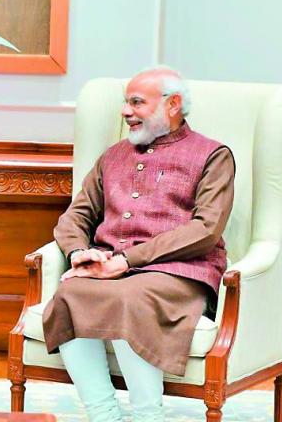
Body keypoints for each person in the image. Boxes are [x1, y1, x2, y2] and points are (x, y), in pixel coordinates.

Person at [42, 67, 235, 421]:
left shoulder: (213, 155)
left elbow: (206, 228)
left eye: (136, 102)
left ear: (173, 104)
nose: (125, 111)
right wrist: (78, 252)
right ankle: (104, 414)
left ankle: (149, 414)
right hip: (114, 267)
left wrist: (127, 260)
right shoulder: (113, 155)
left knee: (129, 297)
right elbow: (76, 216)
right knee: (70, 294)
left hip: (179, 271)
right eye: (125, 102)